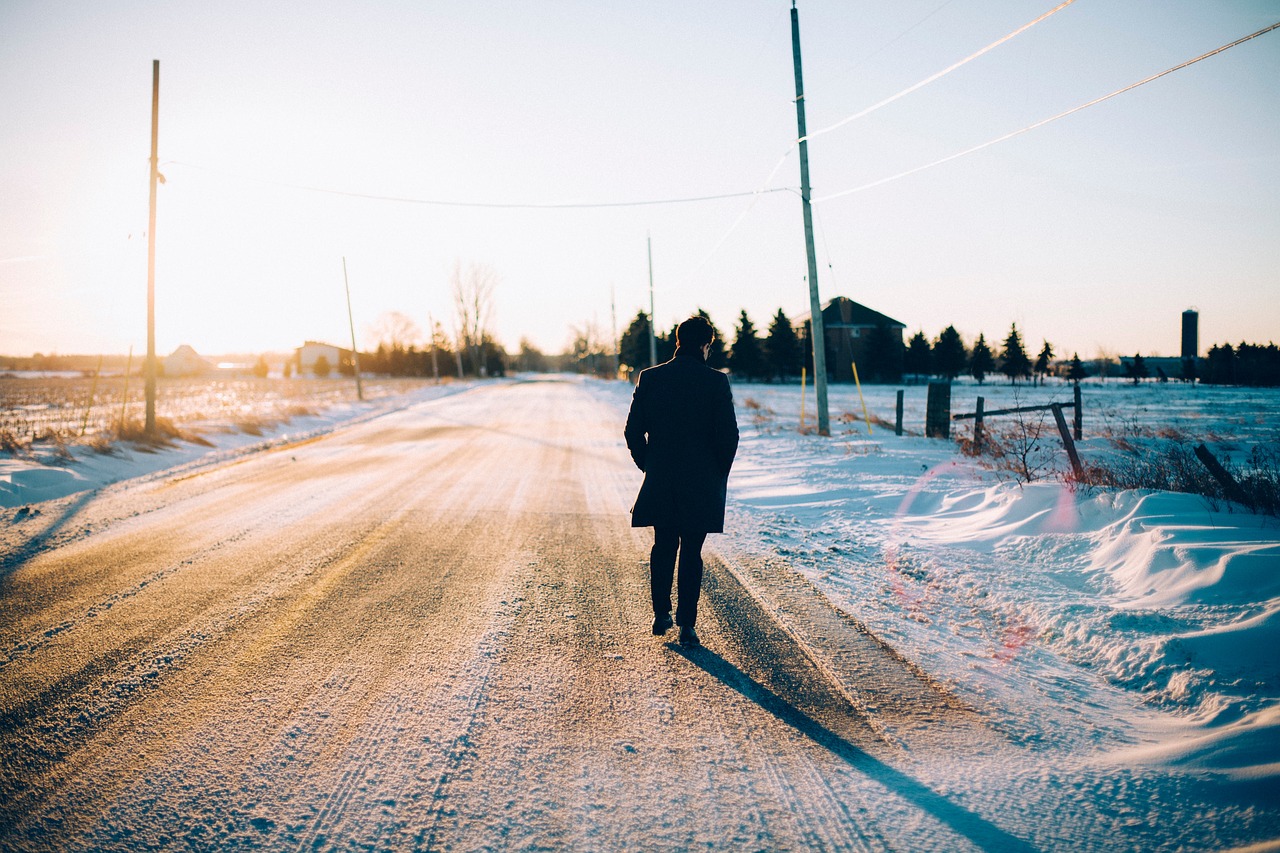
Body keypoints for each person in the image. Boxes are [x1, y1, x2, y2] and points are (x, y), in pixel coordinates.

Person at [624, 315, 739, 647]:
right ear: (705, 345)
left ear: (678, 341)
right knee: (692, 551)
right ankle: (688, 625)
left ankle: (661, 614)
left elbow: (633, 431)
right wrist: (716, 474)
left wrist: (649, 465)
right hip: (700, 483)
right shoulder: (716, 382)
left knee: (663, 545)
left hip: (662, 479)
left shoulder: (651, 378)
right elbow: (729, 437)